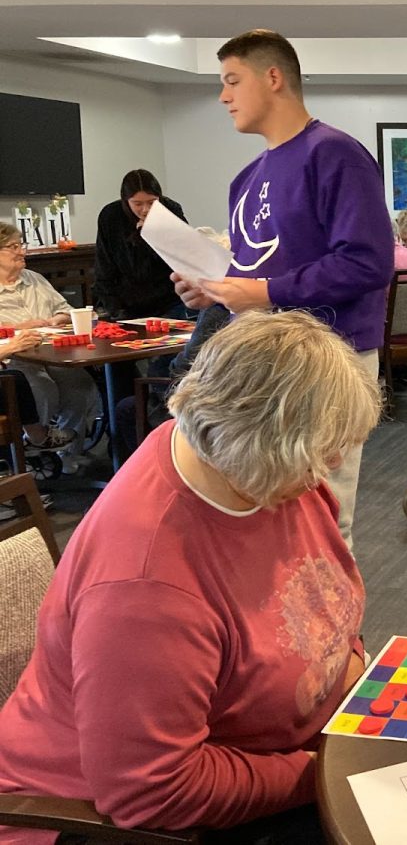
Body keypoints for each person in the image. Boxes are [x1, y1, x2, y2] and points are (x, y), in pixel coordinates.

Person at [0, 309, 381, 845]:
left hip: (279, 750)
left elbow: (321, 598)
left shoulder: (249, 469)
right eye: (318, 454)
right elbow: (153, 791)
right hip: (112, 819)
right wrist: (321, 772)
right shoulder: (144, 590)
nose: (333, 465)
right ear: (254, 448)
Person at [171, 29, 393, 549]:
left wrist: (265, 292)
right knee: (257, 512)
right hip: (257, 360)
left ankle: (334, 631)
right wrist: (217, 289)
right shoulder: (247, 177)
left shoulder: (334, 154)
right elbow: (257, 265)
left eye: (232, 80)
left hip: (327, 361)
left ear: (273, 78)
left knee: (322, 516)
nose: (223, 96)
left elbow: (367, 263)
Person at [0, 223, 99, 455]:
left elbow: (65, 310)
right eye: (13, 246)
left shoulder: (34, 279)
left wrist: (56, 320)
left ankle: (68, 454)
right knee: (41, 387)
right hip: (14, 357)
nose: (22, 252)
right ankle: (36, 445)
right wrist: (19, 328)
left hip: (53, 352)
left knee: (79, 385)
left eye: (21, 244)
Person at [111, 303, 232, 464]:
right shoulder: (262, 300)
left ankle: (151, 471)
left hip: (208, 404)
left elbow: (182, 368)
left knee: (127, 408)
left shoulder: (217, 307)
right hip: (246, 400)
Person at [93, 169, 188, 322]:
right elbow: (104, 265)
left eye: (152, 202)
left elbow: (182, 258)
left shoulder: (171, 210)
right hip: (126, 304)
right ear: (126, 200)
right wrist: (113, 307)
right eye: (137, 204)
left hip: (168, 301)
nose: (145, 209)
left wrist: (151, 234)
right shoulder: (111, 215)